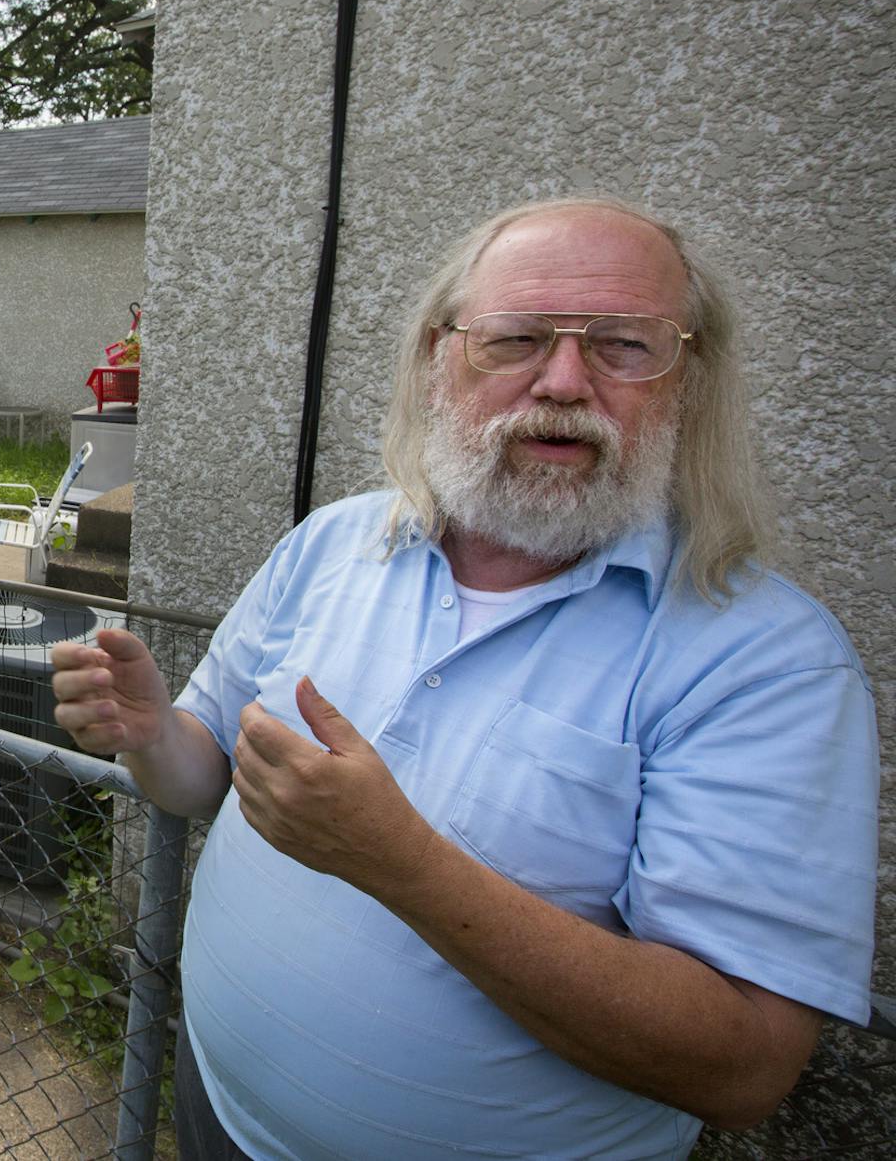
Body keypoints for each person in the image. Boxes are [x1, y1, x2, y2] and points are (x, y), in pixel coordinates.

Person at [52, 198, 875, 1160]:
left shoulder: (765, 660)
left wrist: (399, 860)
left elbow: (742, 1068)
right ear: (438, 358)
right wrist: (154, 734)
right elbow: (206, 777)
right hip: (216, 1114)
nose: (563, 381)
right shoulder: (332, 544)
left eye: (623, 345)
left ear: (688, 380)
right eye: (515, 338)